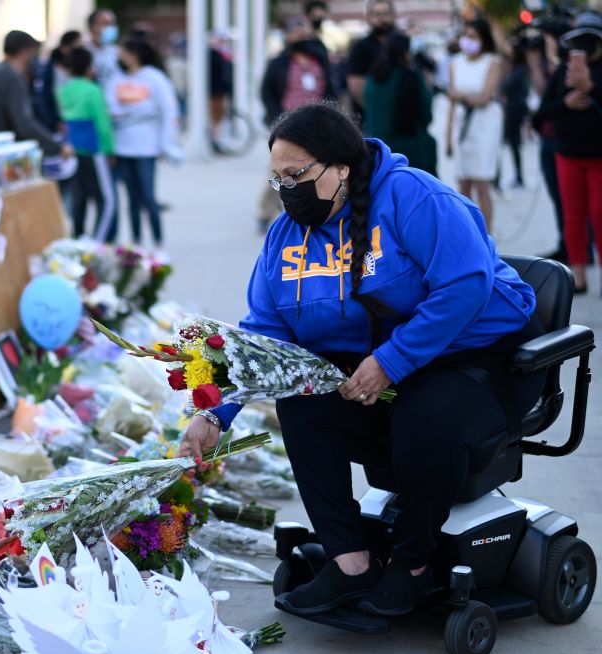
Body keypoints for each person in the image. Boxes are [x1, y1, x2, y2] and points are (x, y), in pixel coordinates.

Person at [179, 103, 545, 617]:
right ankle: (351, 563)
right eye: (278, 177)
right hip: (388, 366)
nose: (286, 188)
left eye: (297, 175)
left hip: (481, 357)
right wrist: (213, 411)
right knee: (302, 406)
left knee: (427, 413)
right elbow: (264, 334)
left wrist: (391, 361)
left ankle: (413, 566)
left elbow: (466, 286)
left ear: (341, 168)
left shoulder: (412, 197)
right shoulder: (287, 236)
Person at [536, 12, 602, 294]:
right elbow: (541, 116)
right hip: (567, 155)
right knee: (572, 216)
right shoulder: (563, 72)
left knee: (600, 214)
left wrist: (592, 90)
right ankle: (580, 276)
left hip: (599, 156)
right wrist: (566, 103)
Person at [258, 17, 336, 232]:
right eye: (298, 34)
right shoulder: (280, 63)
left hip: (315, 125)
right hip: (287, 126)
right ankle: (265, 212)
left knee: (314, 168)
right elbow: (267, 92)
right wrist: (277, 119)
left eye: (306, 34)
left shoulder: (318, 61)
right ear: (289, 37)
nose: (303, 38)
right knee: (279, 171)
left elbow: (330, 90)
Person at [106, 38, 179, 247]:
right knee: (132, 198)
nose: (122, 57)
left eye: (125, 52)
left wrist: (166, 142)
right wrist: (137, 111)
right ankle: (136, 241)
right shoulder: (117, 78)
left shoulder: (154, 78)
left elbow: (166, 109)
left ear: (135, 54)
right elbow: (111, 108)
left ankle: (158, 240)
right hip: (122, 148)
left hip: (146, 148)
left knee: (148, 195)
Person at [446, 18, 504, 231]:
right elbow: (452, 102)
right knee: (463, 184)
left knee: (482, 183)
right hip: (461, 126)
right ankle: (467, 231)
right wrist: (448, 132)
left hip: (485, 125)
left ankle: (487, 234)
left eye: (473, 37)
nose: (468, 41)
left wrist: (460, 96)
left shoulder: (493, 62)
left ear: (483, 39)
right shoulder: (455, 63)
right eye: (465, 36)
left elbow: (484, 98)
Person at [529, 14, 574, 262]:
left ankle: (577, 248)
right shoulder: (548, 64)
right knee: (558, 196)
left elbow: (550, 97)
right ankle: (566, 243)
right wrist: (536, 63)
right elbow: (540, 94)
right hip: (548, 137)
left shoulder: (569, 66)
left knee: (569, 199)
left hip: (565, 140)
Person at [57, 47, 115, 239]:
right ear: (89, 67)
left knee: (79, 198)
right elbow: (103, 124)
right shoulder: (93, 90)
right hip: (93, 148)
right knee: (106, 200)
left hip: (72, 149)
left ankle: (78, 238)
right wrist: (109, 150)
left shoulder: (64, 90)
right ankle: (98, 242)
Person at [364, 31, 436, 175]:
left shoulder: (373, 78)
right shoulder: (411, 77)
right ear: (405, 52)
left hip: (376, 150)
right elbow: (426, 115)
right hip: (408, 151)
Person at [347, 0, 398, 119]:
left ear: (393, 15)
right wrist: (378, 111)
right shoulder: (360, 47)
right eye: (377, 14)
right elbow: (356, 85)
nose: (382, 19)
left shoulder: (400, 45)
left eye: (386, 13)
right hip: (372, 116)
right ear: (369, 18)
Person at [33, 30, 83, 133]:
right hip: (59, 123)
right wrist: (55, 122)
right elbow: (44, 98)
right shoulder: (51, 70)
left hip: (79, 121)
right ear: (64, 48)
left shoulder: (80, 69)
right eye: (75, 47)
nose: (78, 51)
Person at [501, 40, 531, 188]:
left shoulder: (519, 70)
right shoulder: (518, 69)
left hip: (515, 109)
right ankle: (518, 175)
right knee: (513, 143)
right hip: (514, 107)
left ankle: (519, 176)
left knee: (514, 143)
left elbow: (505, 87)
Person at [208, 31, 234, 151]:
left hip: (219, 91)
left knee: (218, 117)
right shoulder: (213, 54)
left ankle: (214, 140)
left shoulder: (220, 54)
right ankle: (213, 141)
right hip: (215, 91)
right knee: (215, 117)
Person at [87, 9, 121, 90]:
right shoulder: (83, 52)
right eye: (106, 24)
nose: (110, 28)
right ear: (92, 27)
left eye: (112, 24)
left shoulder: (118, 53)